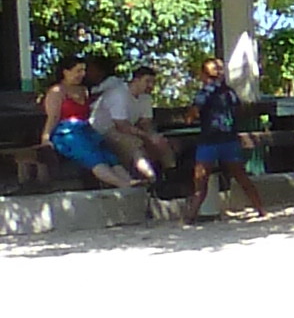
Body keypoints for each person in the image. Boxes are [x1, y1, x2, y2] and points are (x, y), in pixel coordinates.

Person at [185, 56, 268, 222]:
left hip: (208, 141)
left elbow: (192, 116)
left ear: (203, 75)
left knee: (200, 184)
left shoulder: (204, 93)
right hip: (229, 139)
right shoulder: (229, 92)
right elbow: (239, 109)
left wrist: (190, 116)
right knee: (242, 178)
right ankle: (261, 210)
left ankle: (189, 218)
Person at [35, 58, 123, 189]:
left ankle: (128, 180)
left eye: (83, 71)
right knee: (91, 155)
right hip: (66, 133)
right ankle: (121, 183)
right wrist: (45, 138)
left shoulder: (83, 90)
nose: (81, 74)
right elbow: (53, 117)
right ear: (65, 72)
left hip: (86, 130)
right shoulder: (57, 91)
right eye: (78, 71)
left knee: (108, 154)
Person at [85, 63, 173, 183]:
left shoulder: (145, 98)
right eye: (147, 81)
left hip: (125, 127)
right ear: (136, 80)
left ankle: (171, 175)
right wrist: (147, 136)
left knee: (162, 143)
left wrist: (154, 136)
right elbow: (121, 125)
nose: (151, 86)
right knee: (134, 144)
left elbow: (145, 122)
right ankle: (151, 178)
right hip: (102, 130)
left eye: (153, 82)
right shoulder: (119, 94)